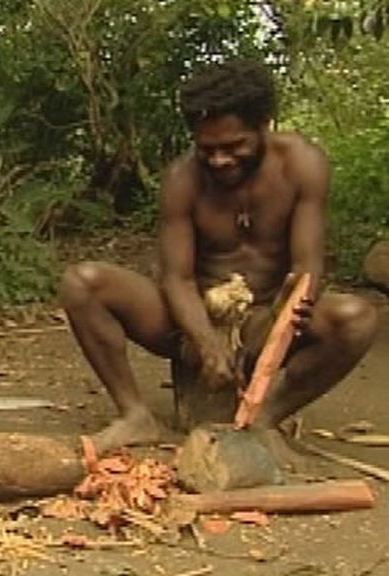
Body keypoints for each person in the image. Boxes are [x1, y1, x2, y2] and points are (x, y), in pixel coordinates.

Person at [59, 60, 378, 458]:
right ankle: (135, 416)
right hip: (188, 320)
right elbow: (177, 278)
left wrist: (286, 313)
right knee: (82, 282)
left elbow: (308, 267)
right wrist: (207, 341)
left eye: (233, 146)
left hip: (266, 317)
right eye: (207, 149)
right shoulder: (182, 180)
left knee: (358, 318)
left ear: (264, 123)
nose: (219, 160)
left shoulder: (302, 164)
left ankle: (265, 419)